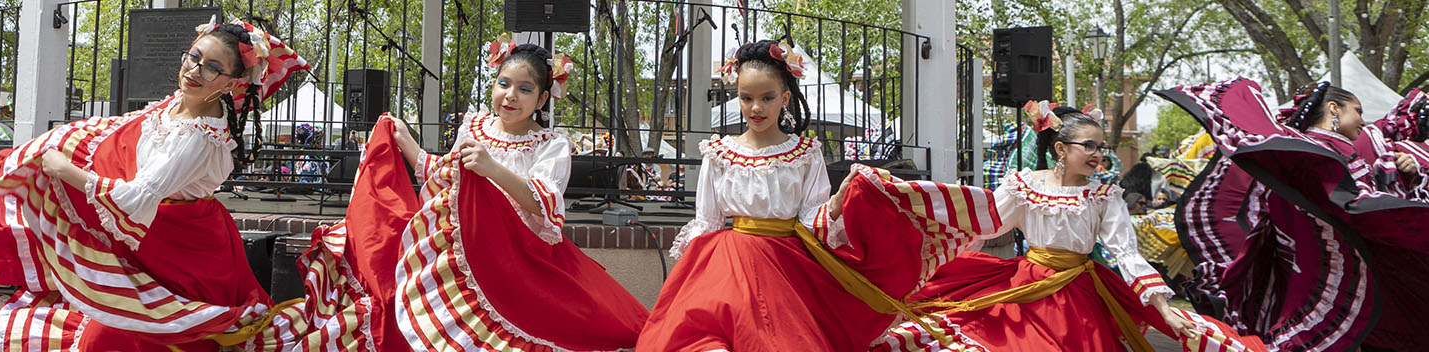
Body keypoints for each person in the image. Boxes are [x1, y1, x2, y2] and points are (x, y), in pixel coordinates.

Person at [254, 36, 649, 351]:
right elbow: (444, 179)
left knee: (591, 323)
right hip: (467, 245)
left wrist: (492, 170)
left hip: (520, 254)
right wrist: (406, 142)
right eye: (503, 84)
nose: (510, 95)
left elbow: (544, 205)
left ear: (542, 99)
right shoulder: (474, 127)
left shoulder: (550, 144)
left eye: (524, 89)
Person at [635, 40, 998, 351]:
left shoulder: (805, 152)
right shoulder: (719, 151)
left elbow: (812, 218)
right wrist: (686, 277)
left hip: (787, 265)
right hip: (725, 263)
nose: (756, 107)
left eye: (767, 97)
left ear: (785, 98)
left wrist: (839, 202)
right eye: (746, 98)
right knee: (711, 336)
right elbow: (708, 220)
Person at [0, 18, 308, 351]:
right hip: (160, 241)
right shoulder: (181, 101)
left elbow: (136, 198)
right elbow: (116, 131)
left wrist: (63, 169)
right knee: (109, 327)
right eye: (193, 57)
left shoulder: (197, 138)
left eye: (212, 68)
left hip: (182, 256)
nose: (194, 70)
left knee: (126, 334)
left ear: (231, 84)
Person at [873, 102, 1262, 351]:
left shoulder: (1104, 195)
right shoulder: (1025, 185)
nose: (1098, 155)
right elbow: (985, 219)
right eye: (1088, 146)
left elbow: (1126, 252)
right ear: (1061, 149)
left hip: (1078, 293)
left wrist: (1162, 305)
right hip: (1025, 287)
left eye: (1100, 147)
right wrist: (904, 199)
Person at [1158, 79, 1429, 351]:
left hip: (1310, 257)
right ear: (1334, 109)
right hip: (1325, 258)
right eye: (1357, 110)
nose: (1362, 119)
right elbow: (1345, 200)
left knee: (1352, 331)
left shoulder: (1302, 146)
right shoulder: (1320, 149)